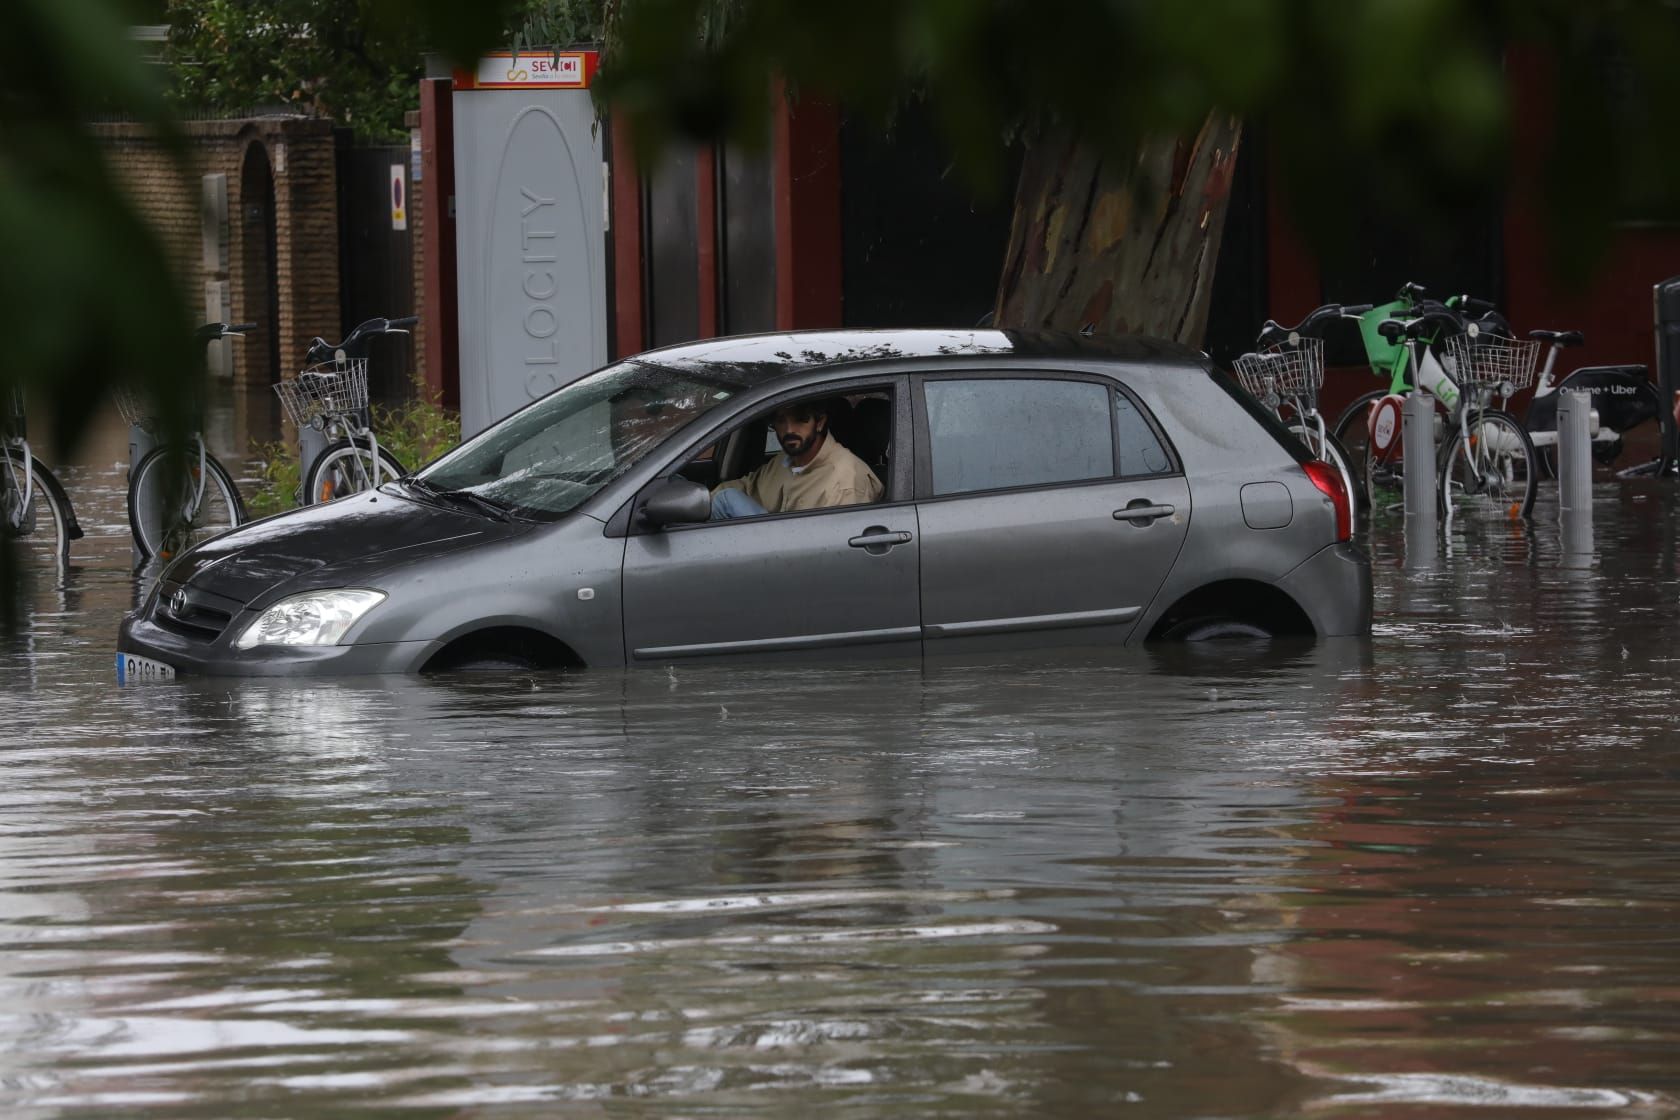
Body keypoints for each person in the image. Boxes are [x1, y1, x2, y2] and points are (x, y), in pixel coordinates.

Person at [710, 399, 882, 519]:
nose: (789, 429)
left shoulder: (845, 482)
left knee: (727, 499)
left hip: (800, 558)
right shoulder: (784, 461)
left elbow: (836, 550)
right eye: (781, 421)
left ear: (820, 422)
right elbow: (747, 487)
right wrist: (701, 500)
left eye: (800, 419)